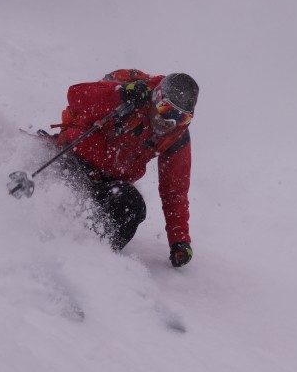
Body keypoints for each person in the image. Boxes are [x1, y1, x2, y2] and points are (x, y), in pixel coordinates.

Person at [48, 69, 199, 267]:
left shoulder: (176, 137)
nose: (170, 122)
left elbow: (175, 192)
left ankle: (92, 258)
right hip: (70, 160)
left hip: (105, 185)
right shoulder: (131, 95)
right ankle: (49, 237)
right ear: (156, 98)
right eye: (166, 110)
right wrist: (121, 94)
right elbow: (75, 96)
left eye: (182, 118)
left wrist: (180, 240)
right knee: (62, 191)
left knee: (132, 206)